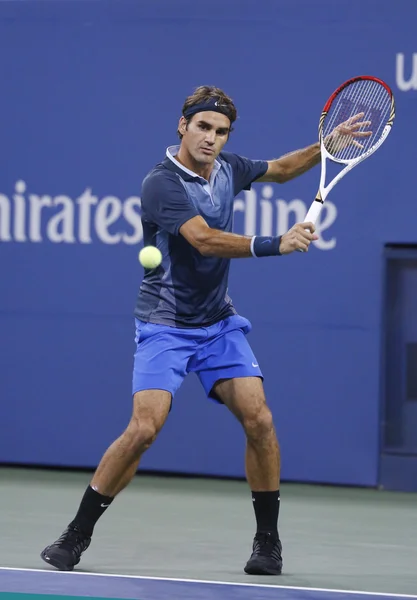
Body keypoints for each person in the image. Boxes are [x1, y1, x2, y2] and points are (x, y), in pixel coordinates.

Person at [40, 86, 370, 575]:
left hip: (218, 324)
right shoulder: (161, 184)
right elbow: (205, 240)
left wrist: (327, 146)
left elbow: (279, 169)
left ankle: (267, 543)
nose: (211, 138)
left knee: (259, 420)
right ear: (182, 125)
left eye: (220, 132)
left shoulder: (230, 169)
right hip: (165, 325)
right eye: (203, 128)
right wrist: (274, 244)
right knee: (143, 430)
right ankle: (75, 535)